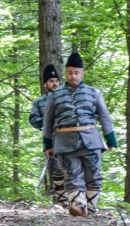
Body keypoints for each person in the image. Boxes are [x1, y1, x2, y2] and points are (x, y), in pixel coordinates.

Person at [43, 53, 117, 217]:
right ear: (66, 73)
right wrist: (47, 145)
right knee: (72, 175)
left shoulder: (94, 93)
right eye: (70, 72)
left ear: (82, 73)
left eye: (76, 72)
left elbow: (104, 116)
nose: (73, 76)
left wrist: (110, 138)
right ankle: (78, 207)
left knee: (93, 175)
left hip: (91, 140)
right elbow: (48, 121)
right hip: (64, 142)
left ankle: (90, 210)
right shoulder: (54, 95)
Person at [29, 64, 67, 206]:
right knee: (57, 170)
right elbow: (33, 120)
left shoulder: (66, 98)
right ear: (45, 84)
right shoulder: (39, 102)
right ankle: (61, 201)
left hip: (68, 139)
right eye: (51, 81)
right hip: (51, 140)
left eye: (56, 80)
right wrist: (46, 121)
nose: (55, 83)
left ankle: (75, 200)